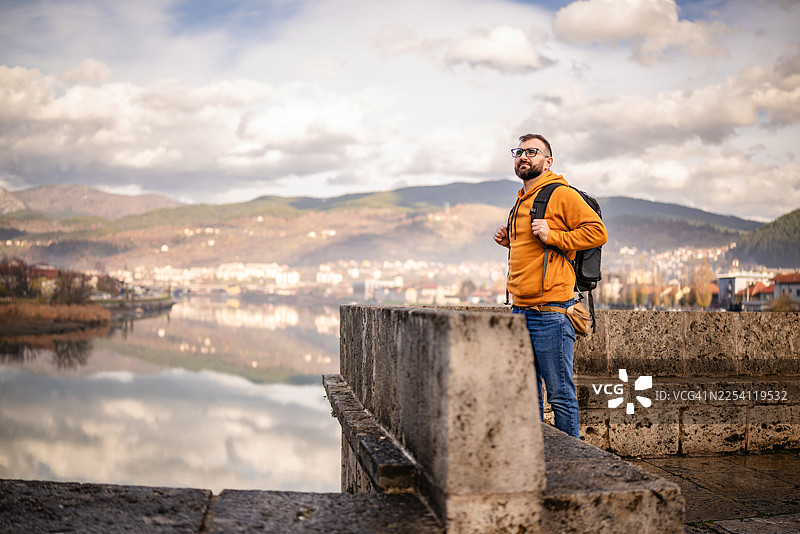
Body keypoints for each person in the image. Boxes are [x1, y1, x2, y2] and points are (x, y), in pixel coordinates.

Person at [493, 133, 607, 438]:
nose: (524, 156)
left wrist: (553, 235)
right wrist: (510, 242)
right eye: (519, 151)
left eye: (532, 151)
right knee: (526, 395)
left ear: (548, 161)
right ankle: (535, 454)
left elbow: (597, 232)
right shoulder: (521, 199)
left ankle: (570, 459)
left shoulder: (560, 194)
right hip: (520, 310)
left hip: (551, 313)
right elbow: (535, 249)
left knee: (560, 395)